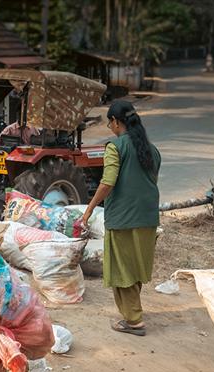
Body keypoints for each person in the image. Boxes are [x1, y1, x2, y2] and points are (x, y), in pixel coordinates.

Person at [81, 100, 160, 336]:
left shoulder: (115, 147)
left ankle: (134, 321)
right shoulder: (151, 149)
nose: (110, 127)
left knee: (122, 268)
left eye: (110, 122)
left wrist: (88, 211)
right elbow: (151, 181)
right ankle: (133, 312)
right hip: (147, 216)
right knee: (135, 266)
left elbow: (107, 182)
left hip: (123, 218)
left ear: (116, 122)